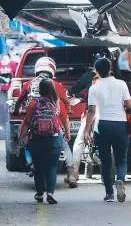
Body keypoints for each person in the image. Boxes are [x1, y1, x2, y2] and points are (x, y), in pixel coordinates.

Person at [13, 57, 77, 188]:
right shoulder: (56, 86)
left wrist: (16, 111)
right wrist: (69, 110)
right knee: (65, 145)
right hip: (53, 126)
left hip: (33, 124)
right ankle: (71, 174)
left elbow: (19, 101)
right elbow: (66, 101)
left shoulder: (28, 85)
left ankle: (27, 158)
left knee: (24, 138)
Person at [83, 58, 131, 202]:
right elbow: (129, 105)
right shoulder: (121, 84)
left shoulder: (94, 87)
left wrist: (87, 130)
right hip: (120, 125)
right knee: (121, 158)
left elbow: (91, 111)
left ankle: (109, 193)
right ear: (110, 69)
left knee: (105, 161)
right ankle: (121, 179)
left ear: (96, 72)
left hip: (102, 125)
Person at [19, 78, 71, 205]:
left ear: (40, 90)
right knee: (52, 166)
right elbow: (65, 120)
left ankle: (39, 193)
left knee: (39, 167)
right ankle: (50, 194)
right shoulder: (57, 104)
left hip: (37, 139)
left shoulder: (33, 104)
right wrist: (68, 134)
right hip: (54, 139)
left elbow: (26, 122)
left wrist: (22, 136)